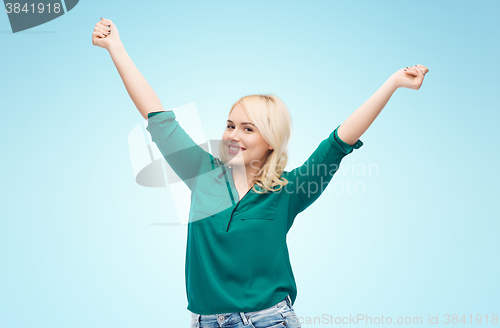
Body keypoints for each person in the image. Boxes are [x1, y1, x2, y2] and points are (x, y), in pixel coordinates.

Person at [92, 18, 429, 328]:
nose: (232, 136)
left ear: (270, 140)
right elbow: (158, 117)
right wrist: (116, 48)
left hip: (269, 321)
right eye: (229, 125)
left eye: (247, 129)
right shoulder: (201, 173)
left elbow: (339, 141)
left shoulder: (289, 190)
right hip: (205, 322)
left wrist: (394, 83)